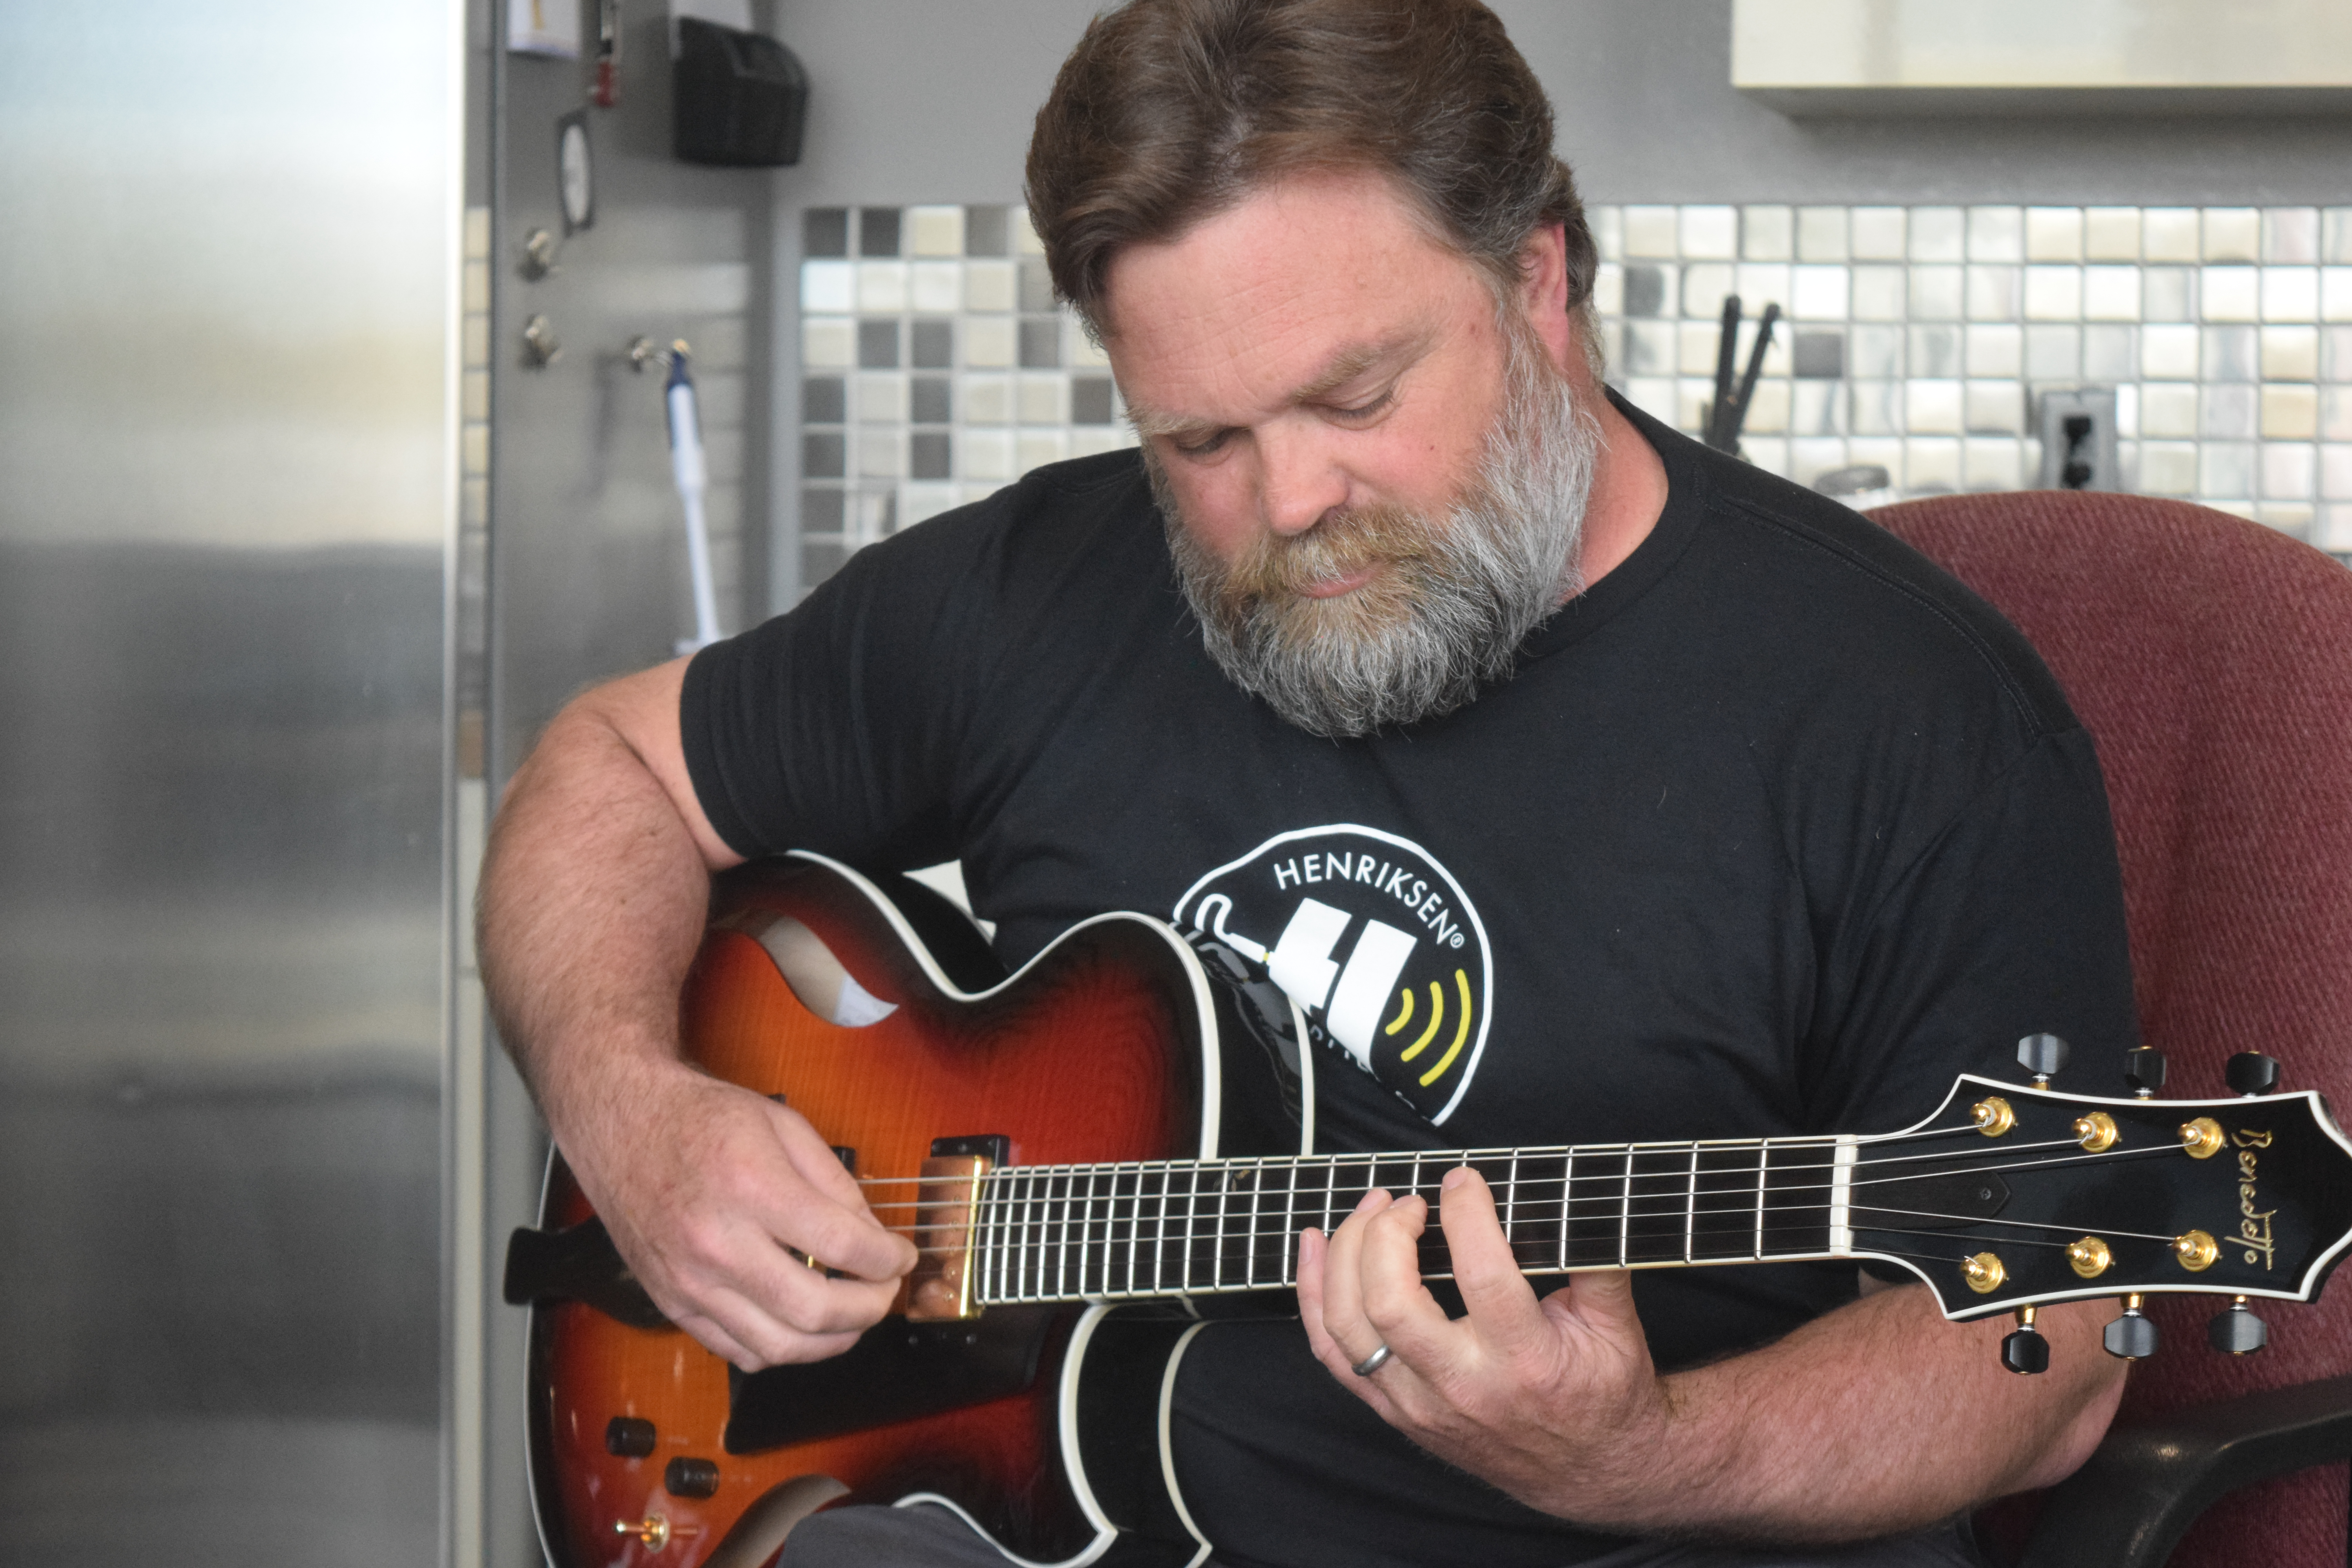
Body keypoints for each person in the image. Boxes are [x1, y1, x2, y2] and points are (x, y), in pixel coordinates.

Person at [477, 2, 2142, 1564]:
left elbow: (2047, 1350)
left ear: (1540, 281)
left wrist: (1649, 1449)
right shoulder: (1041, 590)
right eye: (1199, 440)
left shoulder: (1908, 713)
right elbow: (607, 762)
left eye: (1357, 396)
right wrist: (635, 1113)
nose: (1287, 501)